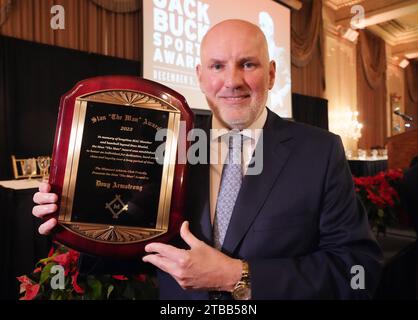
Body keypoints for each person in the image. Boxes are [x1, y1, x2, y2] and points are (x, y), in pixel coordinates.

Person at [33, 19, 383, 299]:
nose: (231, 81)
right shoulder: (169, 145)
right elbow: (133, 247)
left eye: (248, 64)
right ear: (200, 76)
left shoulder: (319, 152)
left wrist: (237, 277)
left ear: (272, 73)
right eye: (217, 66)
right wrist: (73, 217)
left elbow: (357, 269)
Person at [258, 11, 291, 117]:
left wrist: (280, 96)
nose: (262, 28)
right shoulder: (257, 53)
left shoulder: (279, 52)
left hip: (279, 110)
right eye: (260, 25)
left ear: (271, 28)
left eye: (264, 25)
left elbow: (287, 82)